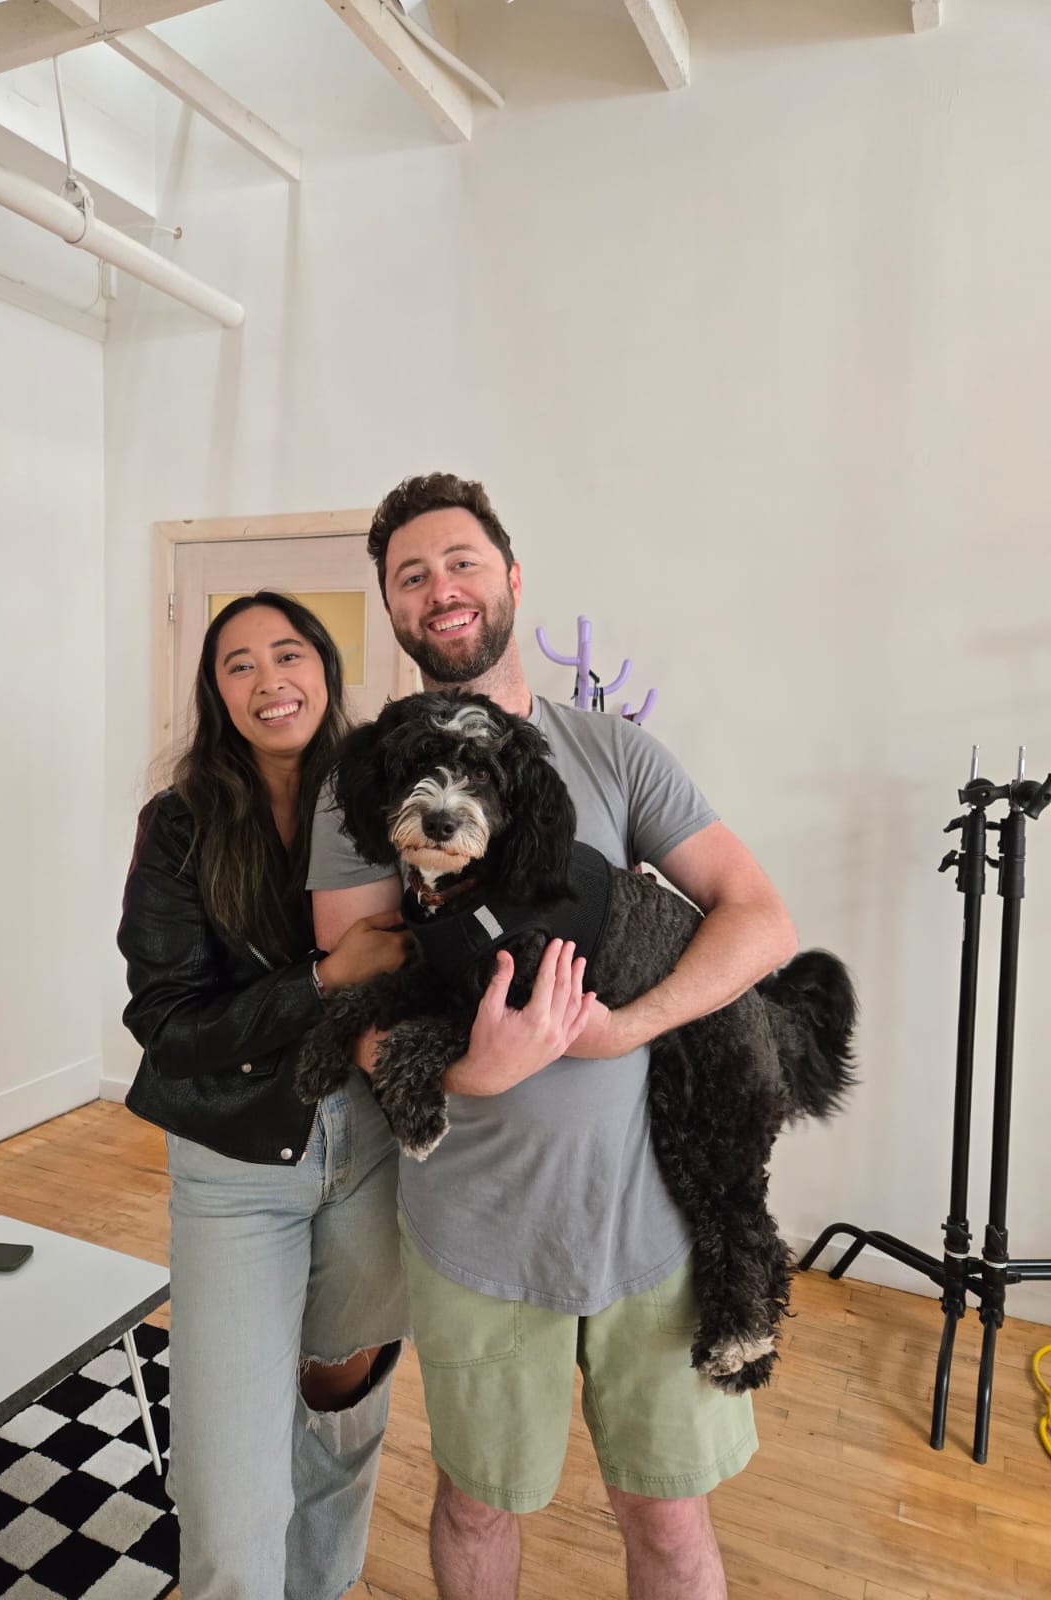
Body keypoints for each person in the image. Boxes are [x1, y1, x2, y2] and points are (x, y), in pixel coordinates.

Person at [307, 476, 798, 1600]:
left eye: (462, 562)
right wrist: (469, 1070)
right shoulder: (365, 782)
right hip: (472, 1227)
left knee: (667, 1515)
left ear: (512, 578)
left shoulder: (614, 751)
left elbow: (761, 919)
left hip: (646, 1221)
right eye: (412, 575)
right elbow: (349, 992)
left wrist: (624, 1027)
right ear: (392, 606)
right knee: (479, 1502)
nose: (442, 588)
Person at [118, 592, 415, 1600]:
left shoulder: (386, 795)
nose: (268, 679)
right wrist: (324, 980)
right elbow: (167, 1024)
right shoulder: (180, 824)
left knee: (340, 1412)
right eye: (237, 664)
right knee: (229, 1481)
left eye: (288, 653)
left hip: (376, 1148)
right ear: (217, 692)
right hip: (237, 1162)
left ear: (325, 668)